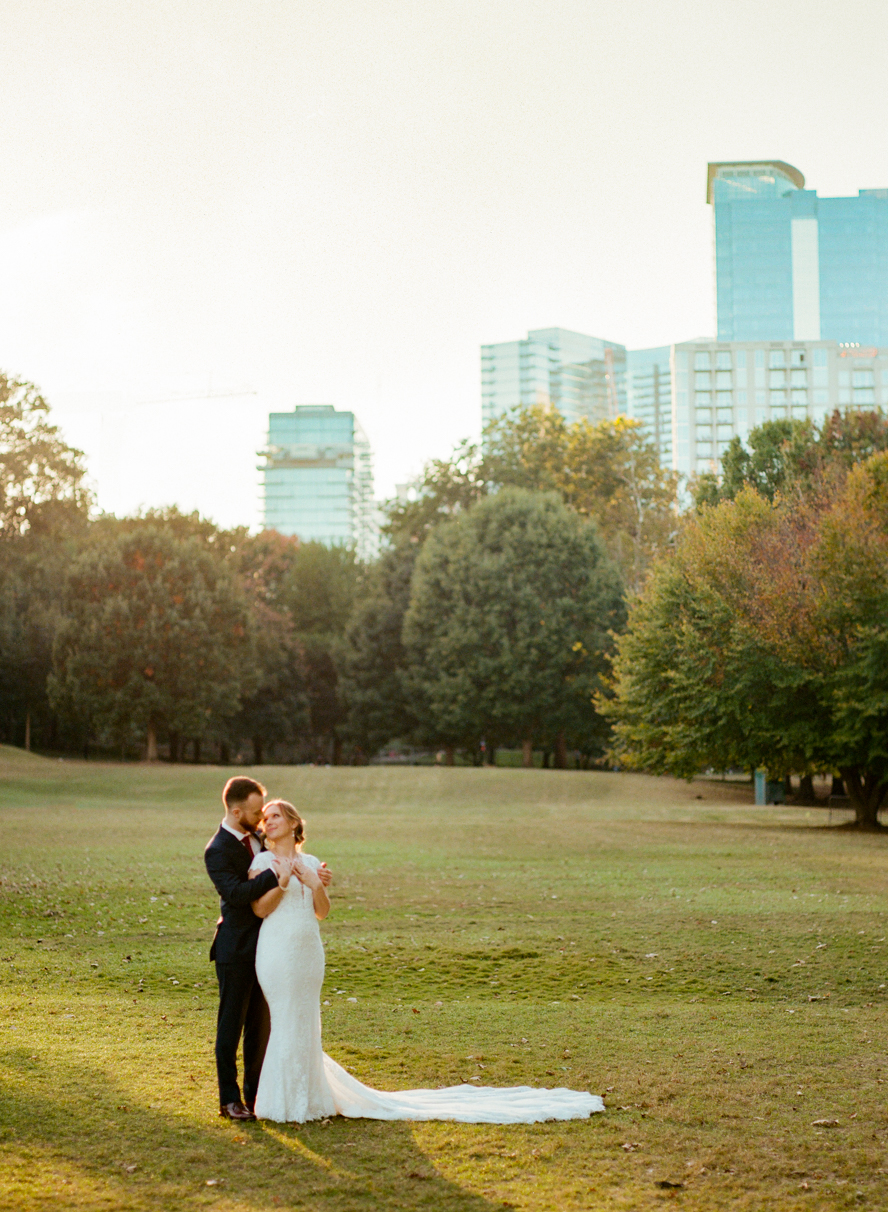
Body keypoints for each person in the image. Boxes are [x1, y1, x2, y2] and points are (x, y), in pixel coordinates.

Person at [248, 798, 605, 1125]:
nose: (269, 821)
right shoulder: (262, 862)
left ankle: (310, 1100)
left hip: (309, 952)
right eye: (266, 818)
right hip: (277, 951)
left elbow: (322, 913)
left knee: (307, 1020)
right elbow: (259, 909)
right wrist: (280, 883)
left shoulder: (312, 864)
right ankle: (282, 1102)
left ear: (294, 823)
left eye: (276, 815)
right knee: (285, 1017)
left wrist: (316, 885)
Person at [203, 776, 331, 1121]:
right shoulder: (217, 850)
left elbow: (292, 854)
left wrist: (314, 876)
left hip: (273, 948)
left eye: (268, 812)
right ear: (236, 810)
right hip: (236, 947)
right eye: (258, 811)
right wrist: (281, 876)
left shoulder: (259, 841)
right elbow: (238, 896)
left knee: (261, 1029)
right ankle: (229, 1100)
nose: (263, 818)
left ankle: (258, 1095)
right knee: (231, 1026)